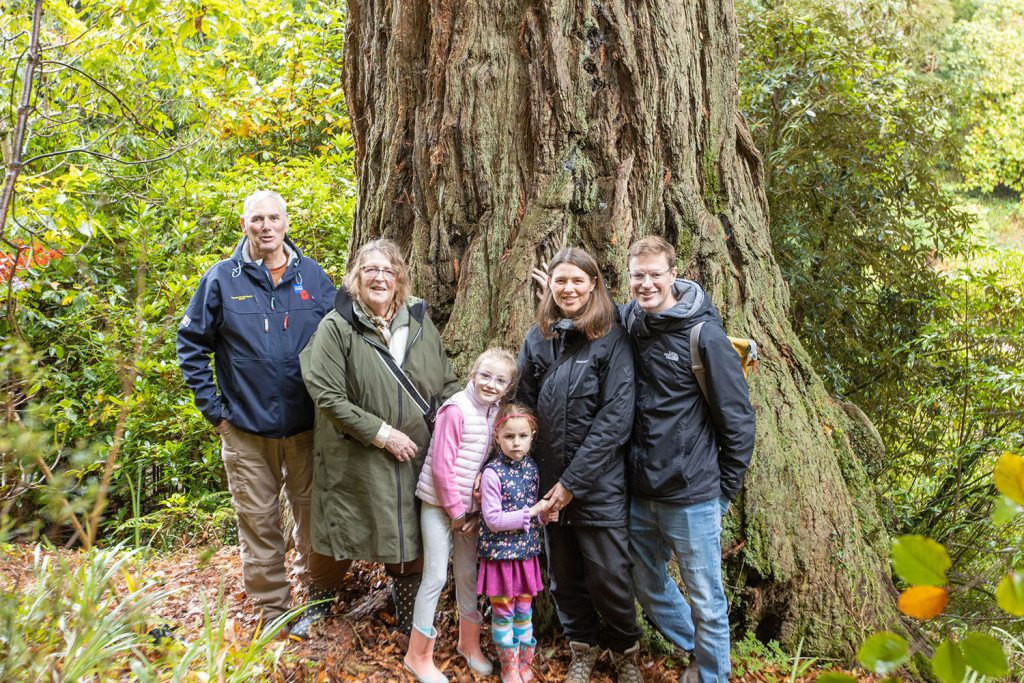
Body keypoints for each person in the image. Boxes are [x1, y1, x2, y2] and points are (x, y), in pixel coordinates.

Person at [176, 190, 336, 627]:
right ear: (244, 224)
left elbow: (343, 340)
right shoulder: (221, 279)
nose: (266, 226)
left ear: (286, 222)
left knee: (314, 519)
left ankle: (316, 600)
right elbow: (190, 344)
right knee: (259, 524)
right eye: (256, 219)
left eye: (273, 218)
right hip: (245, 430)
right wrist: (215, 411)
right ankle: (274, 613)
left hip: (306, 428)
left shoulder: (314, 278)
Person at [294, 238, 460, 641]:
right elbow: (326, 393)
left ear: (400, 278)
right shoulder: (337, 326)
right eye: (370, 269)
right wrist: (383, 435)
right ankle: (316, 609)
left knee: (407, 530)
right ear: (356, 277)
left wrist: (455, 424)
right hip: (355, 450)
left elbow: (446, 379)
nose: (379, 277)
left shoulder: (418, 321)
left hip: (416, 452)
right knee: (338, 530)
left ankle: (407, 615)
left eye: (387, 270)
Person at [620, 236, 755, 683]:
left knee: (706, 598)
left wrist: (723, 494)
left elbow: (737, 421)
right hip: (640, 493)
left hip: (693, 494)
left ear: (672, 274)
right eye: (638, 275)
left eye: (655, 274)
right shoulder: (631, 324)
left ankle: (713, 674)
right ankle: (697, 650)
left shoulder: (704, 335)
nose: (646, 283)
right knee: (647, 583)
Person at [517, 247, 643, 683]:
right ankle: (582, 649)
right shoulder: (538, 338)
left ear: (593, 284)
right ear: (548, 285)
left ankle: (625, 651)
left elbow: (615, 419)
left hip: (599, 484)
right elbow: (524, 404)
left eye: (577, 280)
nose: (568, 288)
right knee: (565, 577)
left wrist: (572, 483)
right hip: (548, 483)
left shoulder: (611, 338)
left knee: (610, 576)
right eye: (560, 281)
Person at [403, 347, 519, 683]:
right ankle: (418, 654)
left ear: (508, 386)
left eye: (500, 380)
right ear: (472, 373)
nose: (490, 384)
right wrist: (455, 512)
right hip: (439, 507)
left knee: (468, 575)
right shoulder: (456, 409)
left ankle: (468, 644)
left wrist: (478, 507)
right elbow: (441, 468)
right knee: (437, 576)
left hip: (470, 512)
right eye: (485, 375)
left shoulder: (496, 412)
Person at [477, 404, 556, 683]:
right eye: (509, 436)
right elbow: (493, 519)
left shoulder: (532, 468)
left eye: (523, 436)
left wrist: (545, 514)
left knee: (524, 611)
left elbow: (535, 512)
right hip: (500, 559)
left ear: (532, 436)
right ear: (497, 436)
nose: (516, 442)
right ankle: (508, 667)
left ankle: (524, 661)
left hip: (526, 556)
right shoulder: (492, 473)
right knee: (503, 612)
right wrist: (533, 512)